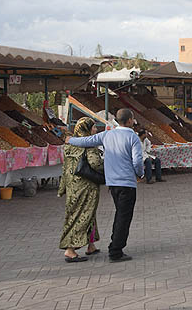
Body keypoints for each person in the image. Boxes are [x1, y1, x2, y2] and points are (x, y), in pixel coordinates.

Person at [66, 108, 144, 262]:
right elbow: (137, 160)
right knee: (124, 216)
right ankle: (116, 250)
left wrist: (70, 140)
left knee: (120, 213)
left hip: (112, 183)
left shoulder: (107, 134)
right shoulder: (133, 137)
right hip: (127, 183)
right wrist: (139, 173)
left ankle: (115, 245)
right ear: (129, 121)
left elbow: (86, 141)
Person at [58, 117, 103, 263]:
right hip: (86, 186)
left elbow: (65, 168)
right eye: (94, 127)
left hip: (72, 186)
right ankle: (70, 250)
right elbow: (95, 164)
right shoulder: (89, 145)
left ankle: (91, 245)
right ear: (87, 129)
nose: (96, 130)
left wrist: (62, 187)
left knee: (85, 213)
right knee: (81, 215)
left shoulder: (69, 145)